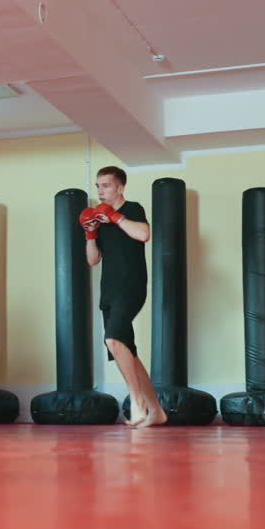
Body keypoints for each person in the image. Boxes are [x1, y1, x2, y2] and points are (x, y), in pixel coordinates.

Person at [81, 166, 166, 428]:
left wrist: (115, 217)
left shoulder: (133, 209)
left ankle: (137, 402)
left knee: (113, 340)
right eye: (97, 186)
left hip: (131, 286)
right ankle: (156, 411)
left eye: (105, 185)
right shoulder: (98, 218)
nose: (100, 191)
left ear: (119, 187)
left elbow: (144, 234)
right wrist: (91, 233)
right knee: (126, 350)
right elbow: (93, 260)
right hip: (109, 290)